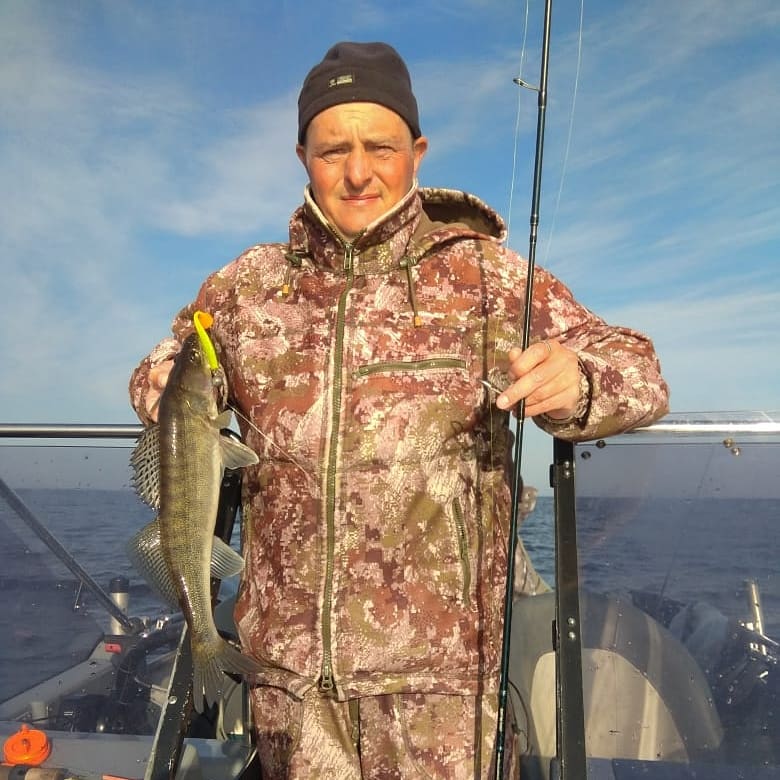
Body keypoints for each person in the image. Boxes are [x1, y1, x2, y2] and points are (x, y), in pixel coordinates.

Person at [129, 41, 669, 778]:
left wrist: (580, 382)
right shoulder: (245, 289)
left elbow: (638, 370)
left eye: (380, 147)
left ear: (416, 152)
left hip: (446, 694)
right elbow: (165, 365)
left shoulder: (485, 277)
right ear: (303, 157)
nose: (358, 172)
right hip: (291, 689)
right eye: (333, 150)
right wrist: (166, 387)